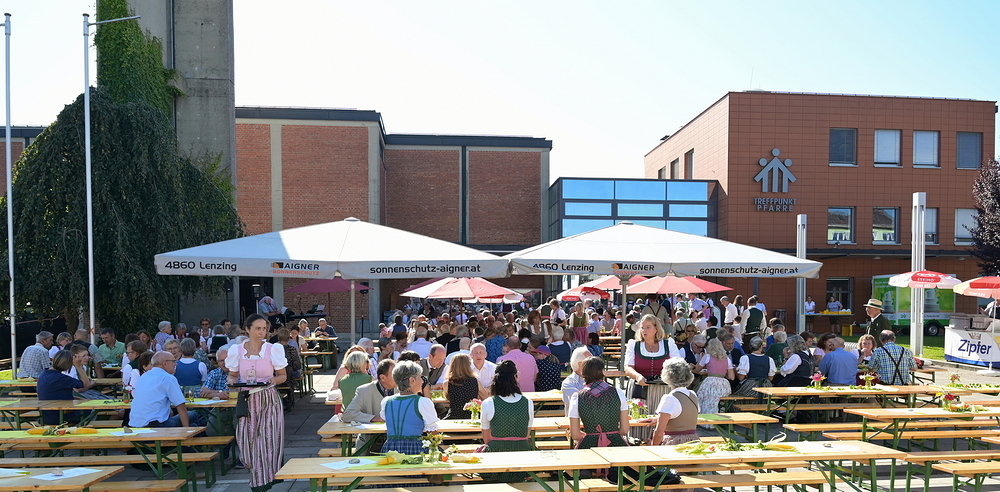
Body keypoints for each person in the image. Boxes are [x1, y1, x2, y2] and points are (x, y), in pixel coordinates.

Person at [225, 314, 288, 492]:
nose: (262, 332)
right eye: (257, 328)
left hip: (268, 398)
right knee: (246, 443)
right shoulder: (237, 350)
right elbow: (233, 375)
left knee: (267, 441)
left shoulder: (273, 349)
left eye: (264, 329)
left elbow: (282, 376)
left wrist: (273, 380)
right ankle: (259, 477)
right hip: (246, 399)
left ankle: (261, 483)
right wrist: (231, 381)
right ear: (248, 329)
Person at [624, 314, 680, 442]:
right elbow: (627, 367)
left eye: (648, 327)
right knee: (640, 423)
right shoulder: (634, 344)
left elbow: (677, 364)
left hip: (663, 391)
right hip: (640, 389)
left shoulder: (668, 343)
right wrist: (637, 376)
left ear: (656, 328)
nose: (644, 330)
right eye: (642, 327)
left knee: (661, 422)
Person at [479, 360, 535, 483]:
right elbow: (526, 434)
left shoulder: (488, 403)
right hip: (523, 457)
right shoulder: (528, 402)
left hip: (496, 458)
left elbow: (486, 439)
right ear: (516, 377)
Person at [569, 356, 629, 464]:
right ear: (602, 371)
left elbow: (575, 435)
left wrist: (592, 437)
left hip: (589, 448)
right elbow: (624, 430)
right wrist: (611, 435)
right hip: (616, 445)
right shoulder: (619, 393)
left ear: (583, 373)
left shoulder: (576, 397)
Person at [380, 361, 440, 456]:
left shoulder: (386, 401)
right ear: (412, 380)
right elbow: (432, 432)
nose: (422, 381)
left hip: (390, 448)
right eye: (420, 377)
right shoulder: (422, 402)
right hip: (414, 448)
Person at [129, 351, 201, 428]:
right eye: (173, 361)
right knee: (193, 415)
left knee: (193, 425)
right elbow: (181, 407)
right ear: (165, 363)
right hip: (156, 427)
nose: (176, 364)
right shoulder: (168, 378)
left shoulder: (143, 377)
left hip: (135, 425)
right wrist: (186, 431)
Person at [342, 359, 397, 454]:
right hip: (370, 442)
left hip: (397, 441)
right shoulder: (364, 390)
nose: (399, 377)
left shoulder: (403, 389)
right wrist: (374, 418)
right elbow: (348, 414)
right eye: (394, 375)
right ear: (383, 377)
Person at [650, 357, 700, 450]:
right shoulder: (693, 395)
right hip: (693, 442)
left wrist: (653, 449)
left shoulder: (670, 398)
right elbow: (682, 415)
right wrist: (657, 419)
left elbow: (659, 432)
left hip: (675, 443)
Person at [37, 351, 89, 424]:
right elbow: (86, 384)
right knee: (88, 409)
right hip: (58, 417)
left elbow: (55, 394)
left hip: (45, 416)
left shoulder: (43, 374)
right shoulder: (60, 378)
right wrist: (78, 366)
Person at [694, 338, 734, 414]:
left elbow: (697, 370)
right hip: (723, 384)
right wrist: (722, 373)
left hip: (710, 382)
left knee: (702, 397)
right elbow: (731, 377)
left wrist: (700, 358)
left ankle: (705, 415)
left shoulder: (707, 356)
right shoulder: (727, 359)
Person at [442, 353, 485, 419]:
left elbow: (448, 398)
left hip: (454, 416)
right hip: (472, 415)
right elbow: (486, 398)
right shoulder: (475, 381)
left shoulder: (447, 383)